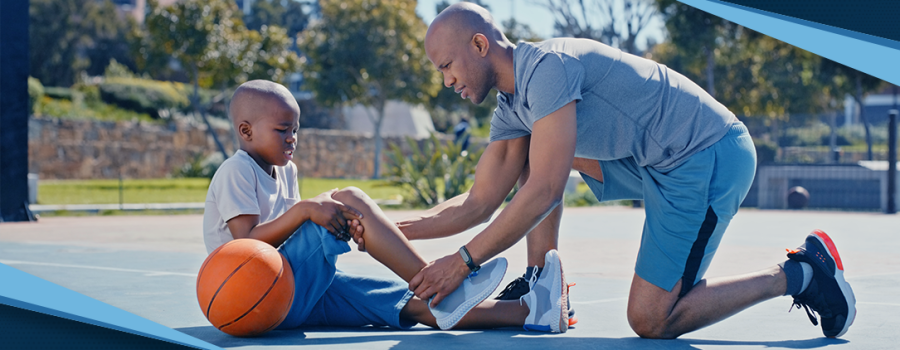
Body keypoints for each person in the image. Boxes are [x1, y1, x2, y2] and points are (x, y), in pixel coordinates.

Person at [364, 3, 855, 338]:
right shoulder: (514, 105)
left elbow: (545, 189)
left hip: (707, 156)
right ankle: (542, 283)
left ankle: (799, 273)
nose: (445, 80)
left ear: (478, 45)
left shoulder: (548, 69)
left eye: (446, 65)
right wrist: (380, 227)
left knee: (651, 319)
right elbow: (479, 201)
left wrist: (464, 261)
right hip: (654, 162)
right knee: (532, 148)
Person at [202, 79, 564, 332]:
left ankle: (533, 311)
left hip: (291, 294)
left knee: (421, 306)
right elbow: (246, 245)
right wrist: (312, 211)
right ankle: (444, 286)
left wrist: (329, 217)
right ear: (246, 132)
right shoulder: (237, 170)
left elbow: (296, 234)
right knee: (349, 198)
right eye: (283, 130)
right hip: (252, 296)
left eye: (296, 129)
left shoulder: (287, 172)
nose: (292, 138)